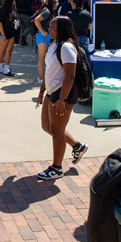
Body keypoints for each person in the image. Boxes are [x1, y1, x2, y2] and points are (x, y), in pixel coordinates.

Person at [36, 16, 88, 180]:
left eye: (53, 27)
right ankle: (77, 146)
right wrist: (42, 90)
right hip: (51, 92)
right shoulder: (53, 44)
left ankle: (57, 168)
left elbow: (70, 76)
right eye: (50, 26)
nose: (49, 29)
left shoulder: (66, 47)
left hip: (62, 94)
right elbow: (49, 70)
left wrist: (62, 99)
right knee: (47, 127)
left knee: (57, 132)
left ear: (62, 29)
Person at [33, 0, 58, 85]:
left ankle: (42, 77)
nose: (57, 4)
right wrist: (43, 31)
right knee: (41, 58)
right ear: (53, 3)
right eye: (56, 3)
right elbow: (36, 20)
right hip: (43, 36)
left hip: (45, 36)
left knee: (44, 57)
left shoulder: (48, 12)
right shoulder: (47, 12)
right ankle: (40, 78)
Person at [0, 0, 19, 77]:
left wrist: (15, 22)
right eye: (13, 0)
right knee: (2, 51)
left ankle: (6, 68)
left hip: (11, 32)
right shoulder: (2, 9)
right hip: (4, 33)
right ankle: (0, 67)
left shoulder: (12, 9)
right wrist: (3, 35)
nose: (14, 2)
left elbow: (14, 18)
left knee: (9, 51)